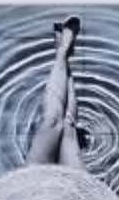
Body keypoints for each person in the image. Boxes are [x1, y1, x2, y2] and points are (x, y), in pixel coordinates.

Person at [27, 15, 88, 168]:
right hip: (69, 188)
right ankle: (62, 52)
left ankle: (62, 52)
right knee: (66, 127)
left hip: (35, 181)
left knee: (53, 120)